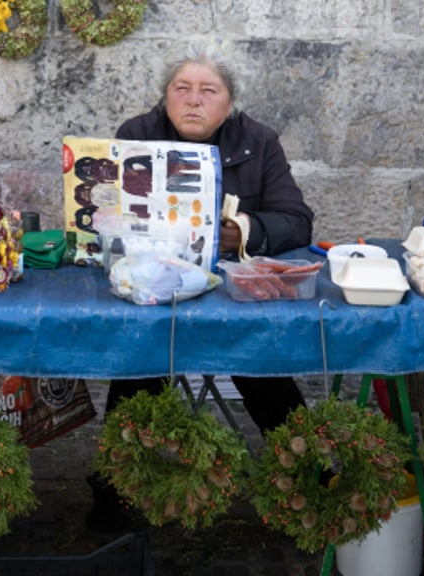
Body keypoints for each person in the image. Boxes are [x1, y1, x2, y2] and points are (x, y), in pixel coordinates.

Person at [86, 43, 315, 532]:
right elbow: (107, 212)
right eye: (181, 89)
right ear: (165, 98)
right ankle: (119, 492)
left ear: (228, 103)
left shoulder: (258, 141)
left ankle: (309, 482)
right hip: (156, 288)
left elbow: (297, 221)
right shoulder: (137, 135)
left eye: (208, 91)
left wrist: (245, 230)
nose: (193, 100)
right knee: (142, 362)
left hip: (234, 290)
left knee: (261, 359)